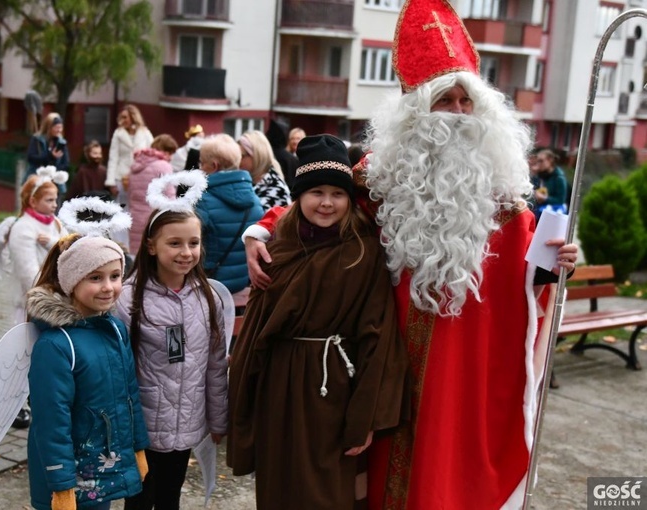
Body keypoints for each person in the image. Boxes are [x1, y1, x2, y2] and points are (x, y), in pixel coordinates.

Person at [242, 0, 579, 507]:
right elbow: (316, 210)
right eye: (447, 101)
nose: (461, 114)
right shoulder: (378, 181)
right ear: (417, 110)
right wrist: (258, 232)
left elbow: (533, 272)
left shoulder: (506, 200)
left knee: (442, 479)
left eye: (469, 102)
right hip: (380, 357)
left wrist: (558, 264)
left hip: (463, 370)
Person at [227, 134, 409, 510]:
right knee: (278, 483)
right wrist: (246, 393)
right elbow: (256, 331)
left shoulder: (362, 251)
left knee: (327, 490)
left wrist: (365, 416)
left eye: (337, 193)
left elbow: (377, 335)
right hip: (278, 384)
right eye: (316, 192)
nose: (327, 203)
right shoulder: (278, 247)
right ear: (299, 195)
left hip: (333, 387)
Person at [115, 173, 228, 510]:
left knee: (170, 498)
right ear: (151, 245)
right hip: (140, 431)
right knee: (138, 502)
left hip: (185, 427)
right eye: (174, 243)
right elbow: (115, 372)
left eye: (193, 243)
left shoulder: (208, 298)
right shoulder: (127, 300)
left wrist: (219, 419)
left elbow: (215, 364)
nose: (186, 252)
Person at [25, 233, 150, 510]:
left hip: (102, 468)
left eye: (115, 276)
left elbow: (129, 397)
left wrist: (138, 449)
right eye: (95, 278)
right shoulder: (56, 345)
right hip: (65, 479)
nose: (108, 287)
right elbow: (51, 422)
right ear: (72, 282)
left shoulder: (115, 330)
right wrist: (61, 484)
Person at [196, 134, 264, 294]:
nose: (199, 168)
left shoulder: (202, 200)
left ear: (214, 165)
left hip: (210, 284)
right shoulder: (254, 199)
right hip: (241, 281)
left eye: (201, 163)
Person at [7, 170, 69, 326]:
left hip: (59, 297)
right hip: (34, 305)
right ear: (33, 201)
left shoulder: (56, 222)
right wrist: (48, 301)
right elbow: (28, 273)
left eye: (56, 199)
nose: (55, 204)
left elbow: (69, 248)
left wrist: (53, 242)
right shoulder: (23, 228)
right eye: (49, 200)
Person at [127, 134, 178, 253]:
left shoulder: (135, 165)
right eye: (170, 153)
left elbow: (130, 194)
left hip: (135, 218)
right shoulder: (163, 166)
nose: (170, 158)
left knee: (138, 258)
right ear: (164, 150)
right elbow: (170, 197)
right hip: (155, 219)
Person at [106, 105, 154, 204]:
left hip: (141, 176)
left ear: (133, 117)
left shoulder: (145, 133)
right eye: (121, 117)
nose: (122, 120)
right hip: (121, 177)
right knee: (122, 207)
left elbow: (153, 155)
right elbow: (113, 158)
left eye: (125, 117)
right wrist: (111, 182)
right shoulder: (118, 134)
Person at [238, 130, 291, 211]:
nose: (238, 161)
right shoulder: (244, 181)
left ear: (256, 156)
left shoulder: (277, 190)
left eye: (241, 156)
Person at [25, 112, 70, 187]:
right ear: (49, 127)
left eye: (61, 127)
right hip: (37, 179)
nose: (59, 130)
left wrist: (55, 173)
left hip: (55, 182)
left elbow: (65, 163)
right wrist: (50, 156)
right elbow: (31, 158)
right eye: (56, 127)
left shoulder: (61, 142)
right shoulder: (37, 140)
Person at [533, 148, 569, 220]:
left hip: (552, 214)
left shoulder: (559, 178)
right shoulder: (540, 175)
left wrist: (545, 198)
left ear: (550, 160)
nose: (538, 164)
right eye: (537, 161)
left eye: (541, 161)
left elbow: (560, 200)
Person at [266, 119, 299, 188]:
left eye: (298, 138)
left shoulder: (264, 155)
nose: (295, 141)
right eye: (293, 138)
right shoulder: (291, 159)